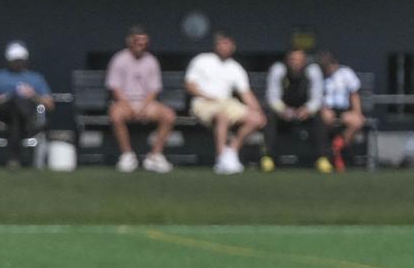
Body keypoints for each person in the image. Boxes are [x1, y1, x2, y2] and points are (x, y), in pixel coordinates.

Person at [185, 30, 265, 175]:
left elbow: (246, 93)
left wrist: (259, 111)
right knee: (222, 116)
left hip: (227, 103)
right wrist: (207, 96)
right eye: (221, 43)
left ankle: (231, 152)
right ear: (216, 45)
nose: (224, 47)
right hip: (203, 102)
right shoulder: (202, 60)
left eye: (227, 44)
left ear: (233, 46)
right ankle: (221, 158)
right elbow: (189, 85)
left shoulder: (236, 68)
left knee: (257, 119)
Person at [105, 25, 175, 173]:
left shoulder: (152, 61)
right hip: (124, 102)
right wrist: (128, 105)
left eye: (144, 42)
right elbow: (115, 88)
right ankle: (127, 155)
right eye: (138, 41)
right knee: (116, 115)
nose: (141, 45)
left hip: (146, 103)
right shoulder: (119, 59)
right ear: (130, 41)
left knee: (168, 115)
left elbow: (154, 89)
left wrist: (144, 106)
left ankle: (155, 156)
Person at [0, 42, 55, 168]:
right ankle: (14, 157)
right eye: (15, 60)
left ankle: (13, 157)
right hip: (4, 114)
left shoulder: (35, 78)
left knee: (18, 106)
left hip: (28, 114)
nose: (18, 63)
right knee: (13, 104)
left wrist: (33, 95)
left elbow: (50, 104)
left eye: (20, 60)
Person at [263, 48, 331, 172]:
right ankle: (268, 157)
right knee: (270, 117)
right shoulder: (278, 70)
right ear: (287, 60)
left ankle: (322, 158)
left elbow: (317, 98)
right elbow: (272, 98)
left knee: (320, 118)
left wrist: (307, 110)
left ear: (305, 61)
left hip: (304, 112)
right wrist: (283, 110)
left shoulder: (313, 71)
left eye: (300, 60)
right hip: (283, 113)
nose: (296, 63)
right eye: (293, 59)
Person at [318, 50, 366, 170]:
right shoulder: (319, 76)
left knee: (358, 121)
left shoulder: (346, 73)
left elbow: (354, 94)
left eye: (329, 64)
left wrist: (357, 112)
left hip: (343, 110)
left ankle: (339, 145)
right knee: (325, 118)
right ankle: (327, 155)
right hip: (326, 109)